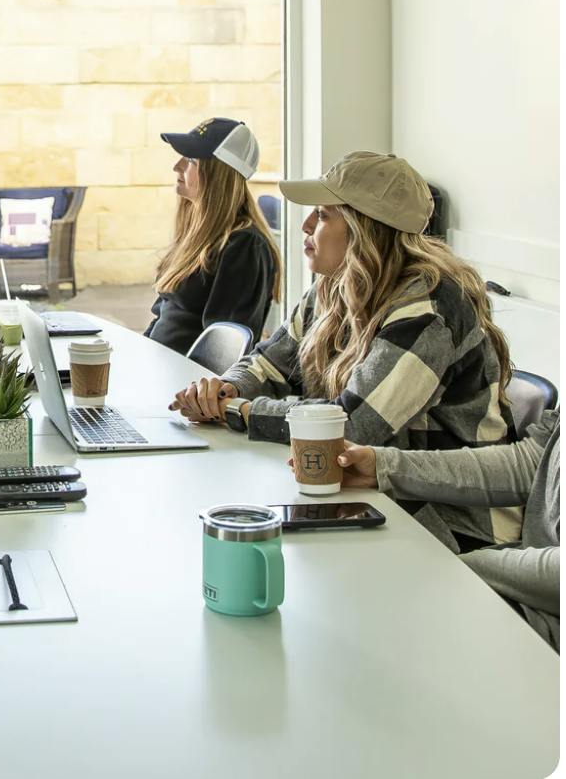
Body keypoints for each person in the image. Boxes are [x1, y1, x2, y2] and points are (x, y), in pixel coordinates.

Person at [172, 151, 514, 549]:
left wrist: (237, 411)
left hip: (454, 523)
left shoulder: (429, 309)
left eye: (322, 214)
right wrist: (228, 388)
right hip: (381, 496)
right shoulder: (334, 285)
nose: (306, 225)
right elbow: (269, 363)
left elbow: (350, 426)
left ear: (364, 229)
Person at [328, 411, 559, 650]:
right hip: (524, 589)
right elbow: (534, 461)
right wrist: (383, 465)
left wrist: (452, 568)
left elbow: (358, 421)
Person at [144, 118, 280, 356]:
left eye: (190, 160)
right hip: (158, 371)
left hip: (186, 386)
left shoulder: (245, 246)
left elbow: (222, 351)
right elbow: (161, 316)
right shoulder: (197, 236)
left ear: (218, 174)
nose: (177, 167)